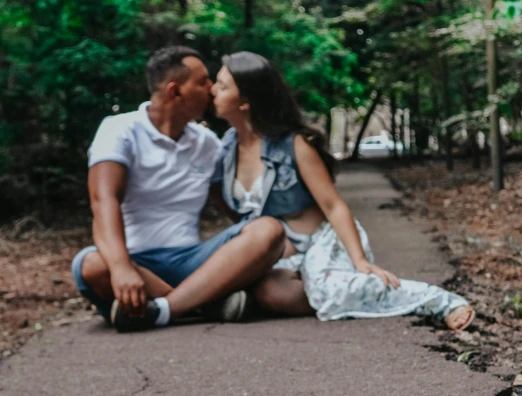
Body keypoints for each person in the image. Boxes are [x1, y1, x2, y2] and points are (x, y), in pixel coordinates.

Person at [210, 51, 475, 331]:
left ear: (246, 101)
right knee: (273, 293)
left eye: (222, 85)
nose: (212, 90)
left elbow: (333, 206)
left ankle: (438, 300)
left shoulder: (293, 144)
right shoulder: (225, 148)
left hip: (321, 242)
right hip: (277, 256)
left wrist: (360, 260)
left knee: (328, 291)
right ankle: (261, 298)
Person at [71, 46, 285, 332]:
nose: (211, 89)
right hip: (135, 262)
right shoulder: (119, 130)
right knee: (91, 265)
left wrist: (282, 243)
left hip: (192, 260)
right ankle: (205, 302)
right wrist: (121, 267)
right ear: (175, 91)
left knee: (268, 230)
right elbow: (103, 201)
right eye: (202, 82)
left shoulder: (207, 143)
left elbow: (232, 208)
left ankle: (162, 309)